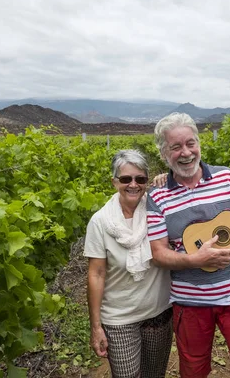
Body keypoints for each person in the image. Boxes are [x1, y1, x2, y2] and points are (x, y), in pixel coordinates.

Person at [146, 112, 230, 378]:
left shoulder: (227, 178)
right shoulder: (157, 196)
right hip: (190, 301)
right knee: (193, 369)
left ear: (199, 144)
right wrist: (196, 260)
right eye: (176, 147)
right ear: (164, 153)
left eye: (190, 143)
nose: (186, 153)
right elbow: (158, 254)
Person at [84, 149, 172, 378]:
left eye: (140, 179)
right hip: (119, 318)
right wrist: (96, 327)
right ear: (114, 182)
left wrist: (168, 177)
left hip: (158, 313)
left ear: (147, 181)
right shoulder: (101, 222)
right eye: (125, 179)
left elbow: (186, 191)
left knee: (155, 375)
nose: (133, 185)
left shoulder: (158, 208)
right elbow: (97, 274)